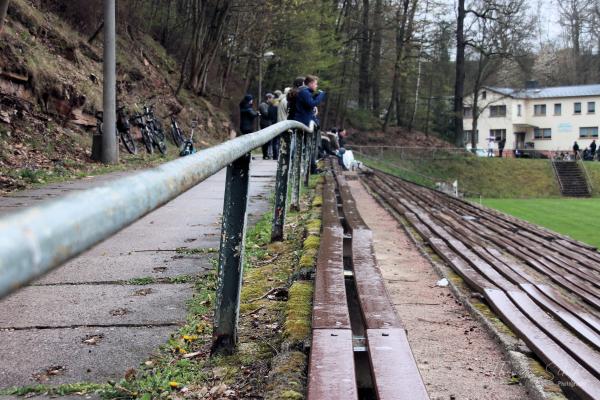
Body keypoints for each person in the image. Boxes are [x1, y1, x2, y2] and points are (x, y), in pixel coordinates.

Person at [259, 93, 274, 159]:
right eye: (272, 98)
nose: (273, 100)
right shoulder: (263, 105)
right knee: (265, 140)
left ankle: (268, 154)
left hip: (269, 123)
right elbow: (266, 114)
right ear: (268, 98)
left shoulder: (269, 105)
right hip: (265, 124)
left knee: (269, 140)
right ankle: (265, 154)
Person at [268, 94, 280, 159]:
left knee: (274, 141)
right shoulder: (277, 107)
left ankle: (274, 155)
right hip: (277, 123)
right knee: (277, 141)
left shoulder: (270, 107)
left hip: (271, 124)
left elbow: (268, 115)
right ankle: (277, 155)